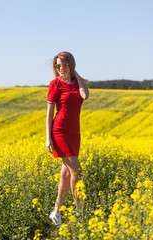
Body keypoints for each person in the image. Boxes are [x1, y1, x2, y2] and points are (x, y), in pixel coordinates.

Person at [45, 51, 89, 227]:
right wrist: (48, 138)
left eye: (63, 65)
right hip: (60, 131)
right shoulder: (55, 84)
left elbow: (85, 96)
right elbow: (49, 114)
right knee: (76, 171)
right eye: (57, 66)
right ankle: (80, 211)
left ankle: (56, 212)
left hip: (74, 133)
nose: (60, 69)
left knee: (65, 174)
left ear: (71, 65)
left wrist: (76, 74)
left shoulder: (78, 84)